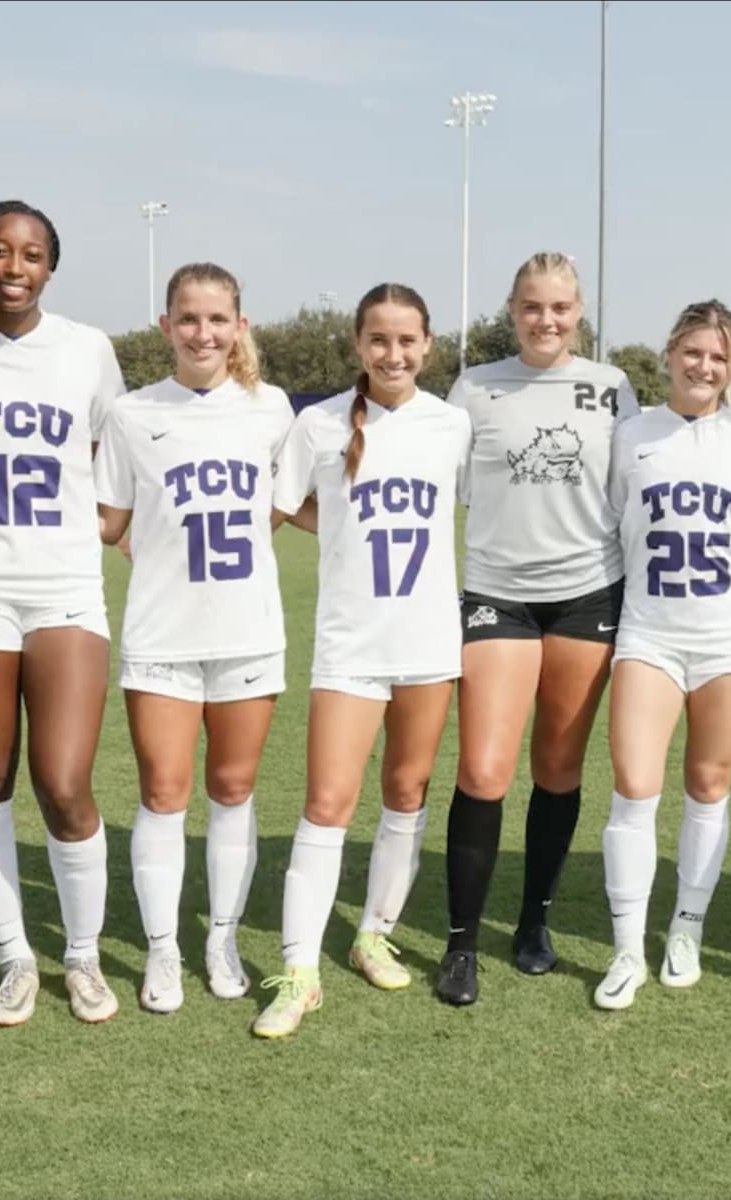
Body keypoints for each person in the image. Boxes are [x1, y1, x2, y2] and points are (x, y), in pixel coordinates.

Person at [252, 283, 471, 1039]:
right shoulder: (316, 425)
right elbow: (283, 508)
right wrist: (341, 529)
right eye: (379, 340)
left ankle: (373, 932)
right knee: (327, 803)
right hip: (350, 644)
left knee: (406, 790)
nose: (393, 354)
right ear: (357, 345)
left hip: (428, 643)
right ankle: (300, 971)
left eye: (408, 340)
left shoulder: (452, 424)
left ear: (429, 345)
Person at [436, 252, 638, 1006]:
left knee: (558, 769)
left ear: (578, 311)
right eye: (531, 307)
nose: (545, 320)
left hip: (587, 595)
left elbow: (632, 490)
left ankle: (532, 924)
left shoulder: (613, 388)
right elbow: (440, 486)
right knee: (485, 770)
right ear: (512, 310)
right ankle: (461, 944)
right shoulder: (476, 387)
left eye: (558, 307)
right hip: (498, 594)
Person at [94, 263, 292, 1014]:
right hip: (161, 632)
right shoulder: (131, 413)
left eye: (217, 319)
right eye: (187, 319)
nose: (202, 333)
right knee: (163, 792)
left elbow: (282, 505)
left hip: (247, 630)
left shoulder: (272, 408)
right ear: (165, 326)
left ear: (240, 325)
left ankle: (221, 938)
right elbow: (108, 521)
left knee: (234, 789)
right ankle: (164, 950)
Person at [0, 200, 124, 1025]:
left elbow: (113, 460)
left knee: (63, 784)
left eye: (29, 255)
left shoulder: (87, 349)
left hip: (64, 587)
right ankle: (15, 958)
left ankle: (84, 958)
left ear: (50, 267)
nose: (13, 268)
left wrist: (100, 531)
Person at [594, 301, 731, 1011]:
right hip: (650, 631)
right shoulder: (630, 434)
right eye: (693, 352)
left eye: (719, 358)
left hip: (729, 634)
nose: (704, 367)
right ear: (669, 353)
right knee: (635, 784)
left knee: (708, 782)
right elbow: (607, 525)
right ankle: (628, 946)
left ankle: (686, 926)